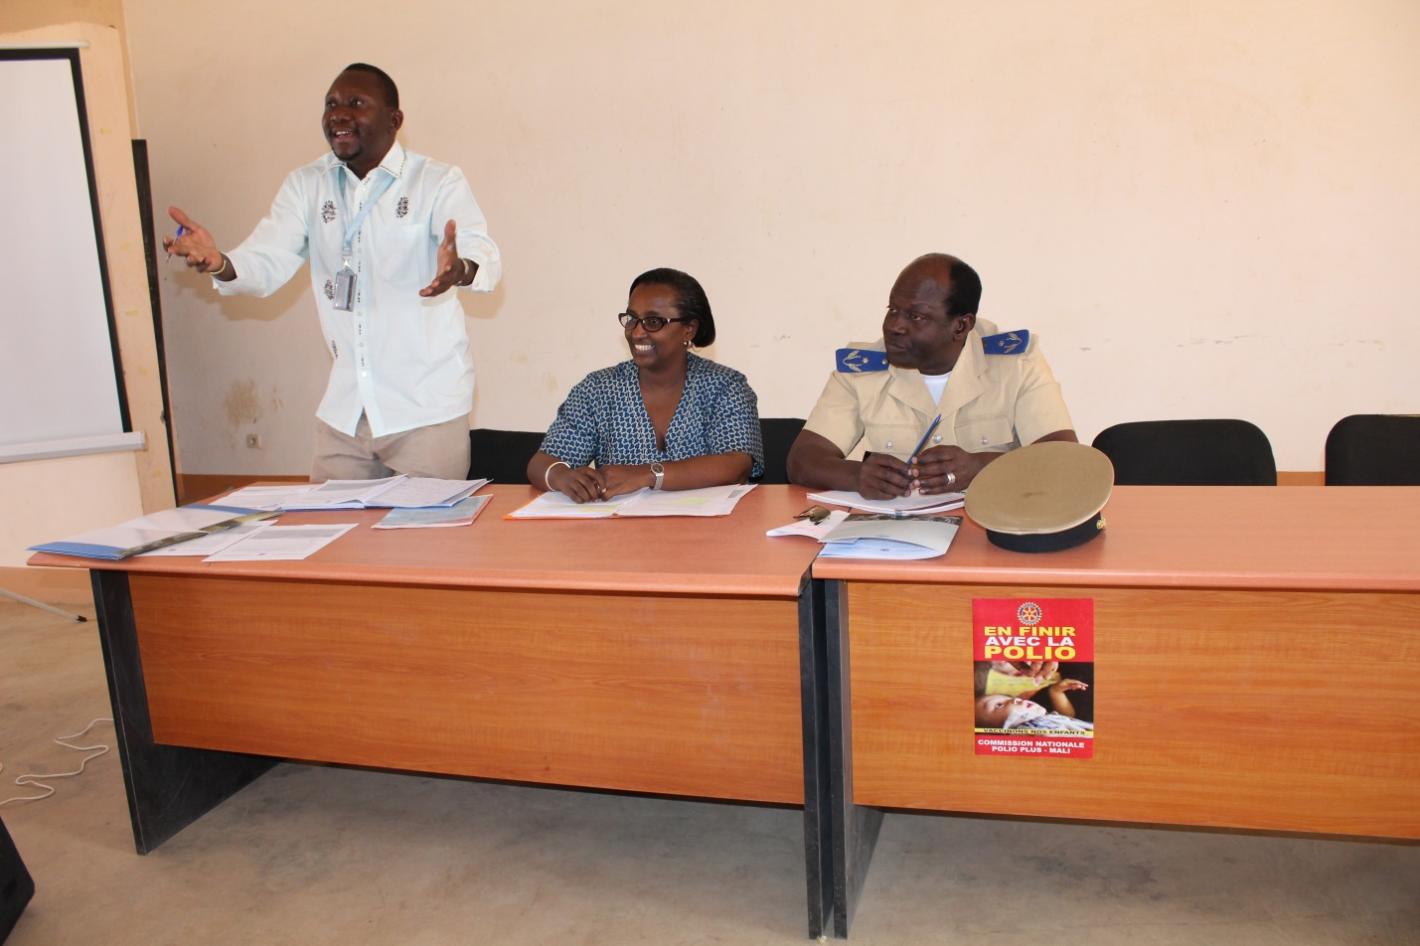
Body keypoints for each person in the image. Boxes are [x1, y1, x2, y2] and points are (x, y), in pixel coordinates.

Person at [162, 63, 500, 481]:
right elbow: (267, 260)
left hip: (426, 409)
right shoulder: (307, 184)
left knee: (426, 526)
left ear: (394, 120)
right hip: (346, 411)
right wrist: (220, 262)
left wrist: (460, 269)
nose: (339, 114)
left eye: (356, 103)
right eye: (331, 104)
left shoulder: (436, 181)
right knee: (327, 524)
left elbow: (482, 253)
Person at [786, 253, 1074, 499]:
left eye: (916, 316)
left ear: (961, 326)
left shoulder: (1016, 364)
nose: (895, 326)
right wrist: (857, 476)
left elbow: (1063, 459)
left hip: (993, 526)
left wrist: (980, 467)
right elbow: (802, 460)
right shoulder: (861, 370)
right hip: (895, 532)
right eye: (893, 310)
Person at [527, 268, 763, 502]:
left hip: (708, 523)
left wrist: (648, 474)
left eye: (653, 321)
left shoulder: (725, 386)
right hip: (620, 524)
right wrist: (561, 476)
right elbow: (541, 463)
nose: (637, 333)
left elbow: (736, 465)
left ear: (689, 329)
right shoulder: (598, 390)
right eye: (632, 319)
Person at [975, 679, 1093, 732]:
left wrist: (1056, 692)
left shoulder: (1040, 719)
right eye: (999, 705)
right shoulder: (1027, 730)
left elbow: (1069, 718)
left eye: (1009, 697)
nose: (1015, 700)